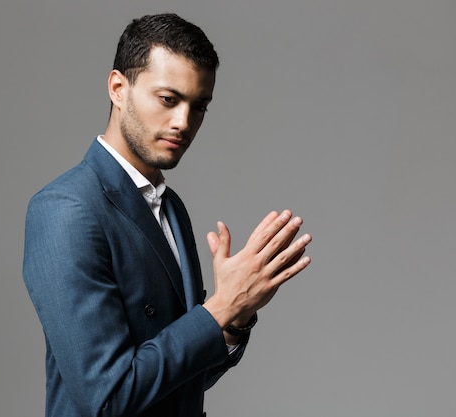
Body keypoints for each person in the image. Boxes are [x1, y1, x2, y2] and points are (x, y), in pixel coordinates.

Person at [23, 13, 312, 417]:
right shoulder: (66, 210)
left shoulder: (170, 208)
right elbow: (106, 399)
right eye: (168, 99)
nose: (183, 123)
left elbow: (180, 376)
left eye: (199, 107)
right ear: (118, 88)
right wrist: (219, 310)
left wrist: (234, 318)